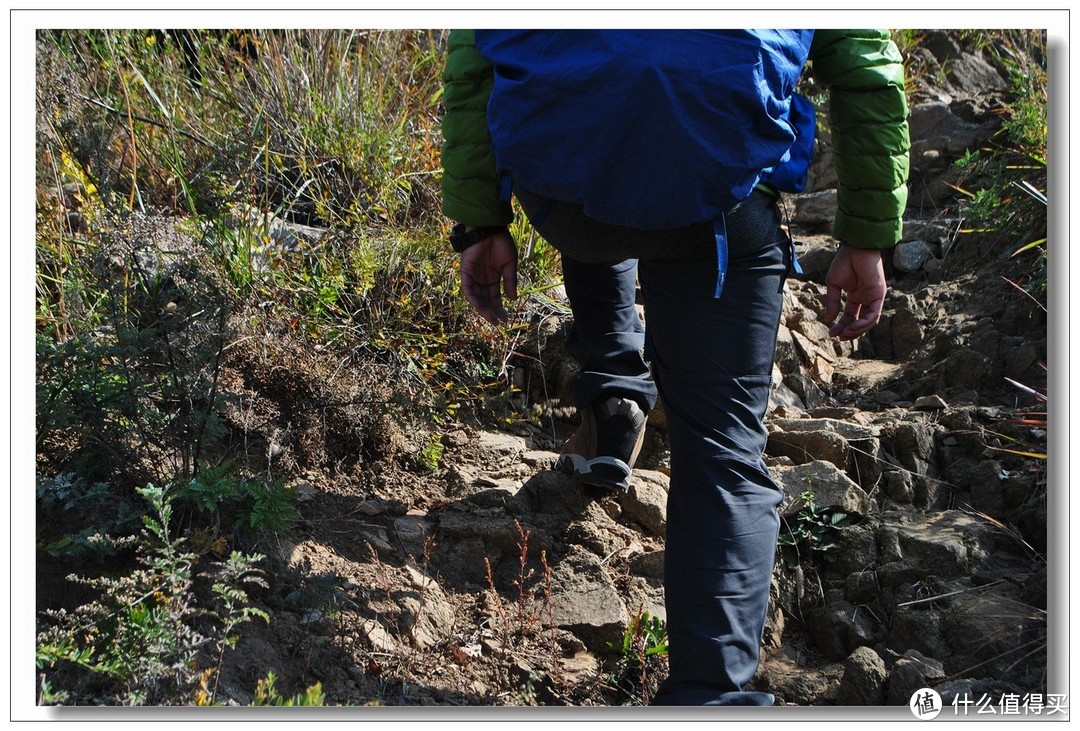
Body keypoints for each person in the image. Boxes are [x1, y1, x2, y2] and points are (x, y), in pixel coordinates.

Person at [441, 29, 909, 706]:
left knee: (602, 123)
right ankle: (710, 699)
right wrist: (867, 235)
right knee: (722, 452)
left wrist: (479, 221)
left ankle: (614, 395)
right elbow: (868, 68)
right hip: (715, 204)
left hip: (567, 204)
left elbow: (473, 57)